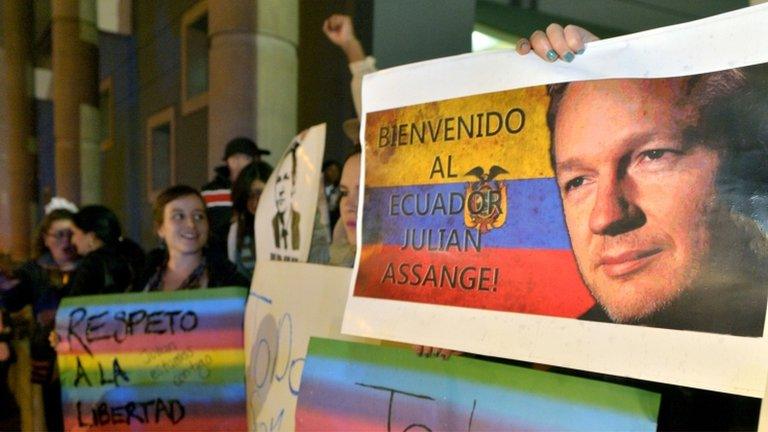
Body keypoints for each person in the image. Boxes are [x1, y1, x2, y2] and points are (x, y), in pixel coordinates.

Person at [517, 24, 763, 430]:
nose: (605, 216)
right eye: (578, 181)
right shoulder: (548, 355)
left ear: (740, 161)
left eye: (652, 156)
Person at [0, 200, 80, 431]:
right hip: (47, 359)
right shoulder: (35, 271)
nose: (66, 241)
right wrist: (7, 288)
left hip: (83, 356)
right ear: (45, 238)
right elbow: (14, 299)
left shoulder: (90, 267)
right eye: (59, 235)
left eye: (71, 234)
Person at [139, 185, 249, 291]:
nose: (191, 224)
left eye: (198, 216)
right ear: (160, 228)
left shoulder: (232, 284)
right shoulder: (142, 279)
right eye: (178, 216)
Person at [202, 137, 271, 258]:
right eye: (235, 158)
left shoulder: (266, 185)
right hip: (220, 256)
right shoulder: (210, 192)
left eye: (246, 158)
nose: (239, 163)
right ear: (228, 161)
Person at [69, 205, 144, 296]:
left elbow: (75, 305)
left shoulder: (92, 263)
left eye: (74, 233)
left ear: (91, 237)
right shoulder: (134, 252)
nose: (72, 240)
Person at [229, 161, 273, 279]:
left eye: (260, 194)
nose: (255, 202)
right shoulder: (238, 229)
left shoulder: (286, 225)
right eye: (249, 195)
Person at [272, 142, 302, 251]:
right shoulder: (270, 223)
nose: (280, 190)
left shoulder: (306, 222)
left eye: (286, 178)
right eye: (278, 180)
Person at [322, 160, 342, 232]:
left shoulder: (339, 193)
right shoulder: (316, 189)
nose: (333, 173)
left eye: (336, 171)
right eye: (331, 169)